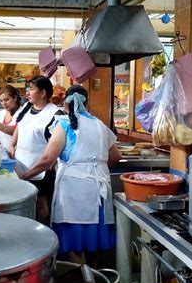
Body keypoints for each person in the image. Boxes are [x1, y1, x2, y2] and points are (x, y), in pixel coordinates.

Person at [17, 85, 121, 265]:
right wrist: (97, 166)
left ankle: (84, 281)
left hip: (74, 189)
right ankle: (94, 277)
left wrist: (25, 176)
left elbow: (48, 159)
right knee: (93, 240)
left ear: (66, 103)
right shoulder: (99, 124)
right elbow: (116, 157)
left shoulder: (64, 123)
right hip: (98, 189)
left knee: (71, 240)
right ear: (87, 103)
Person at [8, 76, 58, 224]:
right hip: (20, 163)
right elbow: (19, 126)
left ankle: (42, 230)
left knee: (40, 202)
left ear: (42, 93)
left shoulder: (55, 114)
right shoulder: (26, 108)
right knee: (22, 200)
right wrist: (12, 145)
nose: (27, 93)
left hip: (42, 166)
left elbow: (55, 144)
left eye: (31, 89)